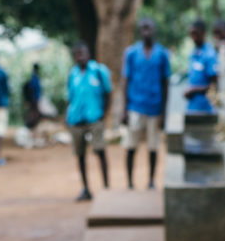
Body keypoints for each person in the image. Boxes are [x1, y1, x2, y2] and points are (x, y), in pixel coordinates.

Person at [121, 18, 170, 189]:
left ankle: (151, 181)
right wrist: (124, 109)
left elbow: (166, 83)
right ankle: (129, 182)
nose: (146, 32)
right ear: (139, 31)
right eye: (143, 29)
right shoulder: (131, 53)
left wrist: (164, 112)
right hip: (135, 106)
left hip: (155, 107)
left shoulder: (162, 54)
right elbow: (125, 81)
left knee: (153, 146)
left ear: (154, 30)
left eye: (149, 28)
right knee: (131, 146)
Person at [66, 42, 112, 202]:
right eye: (77, 54)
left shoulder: (99, 71)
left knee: (100, 151)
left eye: (82, 53)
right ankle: (86, 189)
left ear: (88, 54)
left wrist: (104, 115)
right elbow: (71, 97)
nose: (80, 57)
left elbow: (108, 94)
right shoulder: (73, 74)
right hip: (77, 120)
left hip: (95, 118)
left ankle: (106, 188)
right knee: (80, 156)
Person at [184, 20, 218, 114]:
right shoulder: (193, 53)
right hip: (193, 107)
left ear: (203, 33)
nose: (193, 37)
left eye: (195, 34)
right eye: (191, 34)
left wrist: (193, 90)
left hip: (206, 108)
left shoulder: (209, 54)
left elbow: (214, 84)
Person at [22, 63, 42, 131]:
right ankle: (30, 126)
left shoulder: (34, 76)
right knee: (33, 112)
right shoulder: (35, 77)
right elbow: (34, 88)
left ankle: (31, 125)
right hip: (34, 98)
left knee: (33, 112)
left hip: (34, 98)